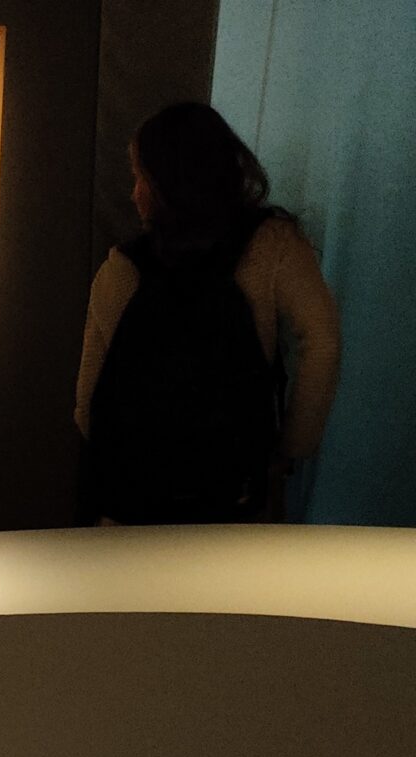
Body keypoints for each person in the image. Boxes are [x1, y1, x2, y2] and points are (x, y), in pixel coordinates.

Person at [75, 103, 340, 523]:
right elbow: (323, 343)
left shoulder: (122, 270)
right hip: (234, 494)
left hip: (135, 502)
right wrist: (289, 448)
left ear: (163, 186)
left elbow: (88, 406)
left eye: (140, 177)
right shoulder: (274, 244)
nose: (134, 193)